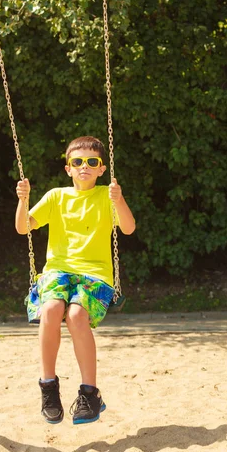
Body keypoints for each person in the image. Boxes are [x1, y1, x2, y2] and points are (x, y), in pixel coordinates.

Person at [15, 136, 135, 425]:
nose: (85, 166)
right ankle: (48, 387)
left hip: (95, 274)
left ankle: (90, 393)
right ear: (68, 168)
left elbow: (128, 228)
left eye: (91, 162)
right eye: (78, 162)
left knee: (77, 314)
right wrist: (23, 201)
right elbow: (23, 228)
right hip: (58, 270)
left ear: (101, 168)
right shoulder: (56, 196)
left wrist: (119, 200)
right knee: (52, 309)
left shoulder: (108, 196)